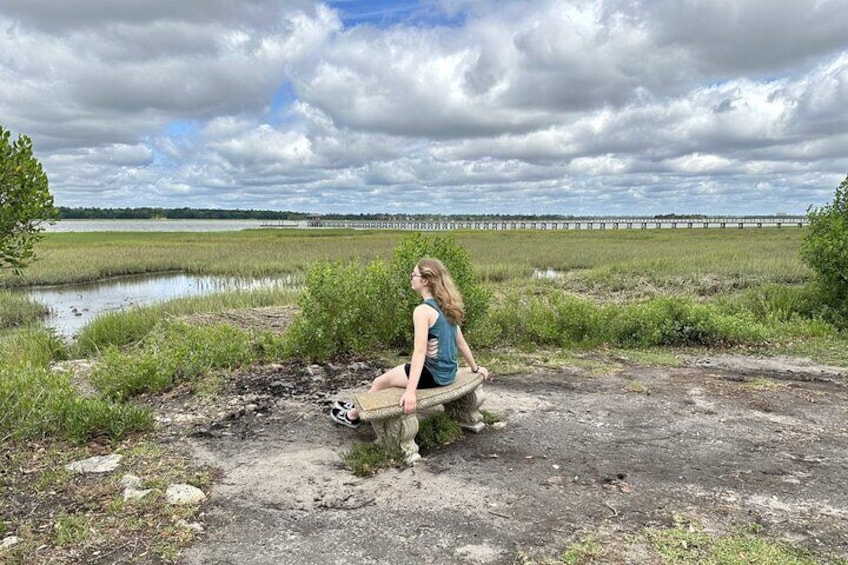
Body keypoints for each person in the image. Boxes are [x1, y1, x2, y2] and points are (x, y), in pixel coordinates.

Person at [330, 258, 490, 428]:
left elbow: (419, 353)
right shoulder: (448, 306)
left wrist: (410, 392)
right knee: (391, 377)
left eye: (414, 274)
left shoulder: (423, 311)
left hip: (433, 375)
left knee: (379, 382)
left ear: (425, 281)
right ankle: (357, 407)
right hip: (448, 373)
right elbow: (462, 344)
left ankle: (352, 416)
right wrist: (475, 368)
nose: (411, 278)